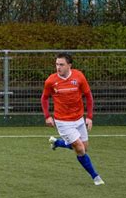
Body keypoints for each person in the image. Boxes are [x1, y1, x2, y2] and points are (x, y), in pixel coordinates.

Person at [41, 52, 104, 186]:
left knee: (83, 148)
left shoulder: (79, 76)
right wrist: (47, 116)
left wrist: (89, 117)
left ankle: (57, 143)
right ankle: (96, 177)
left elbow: (88, 96)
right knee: (80, 149)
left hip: (79, 119)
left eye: (62, 64)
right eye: (57, 64)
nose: (58, 67)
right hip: (63, 121)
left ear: (69, 65)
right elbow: (44, 98)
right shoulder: (51, 81)